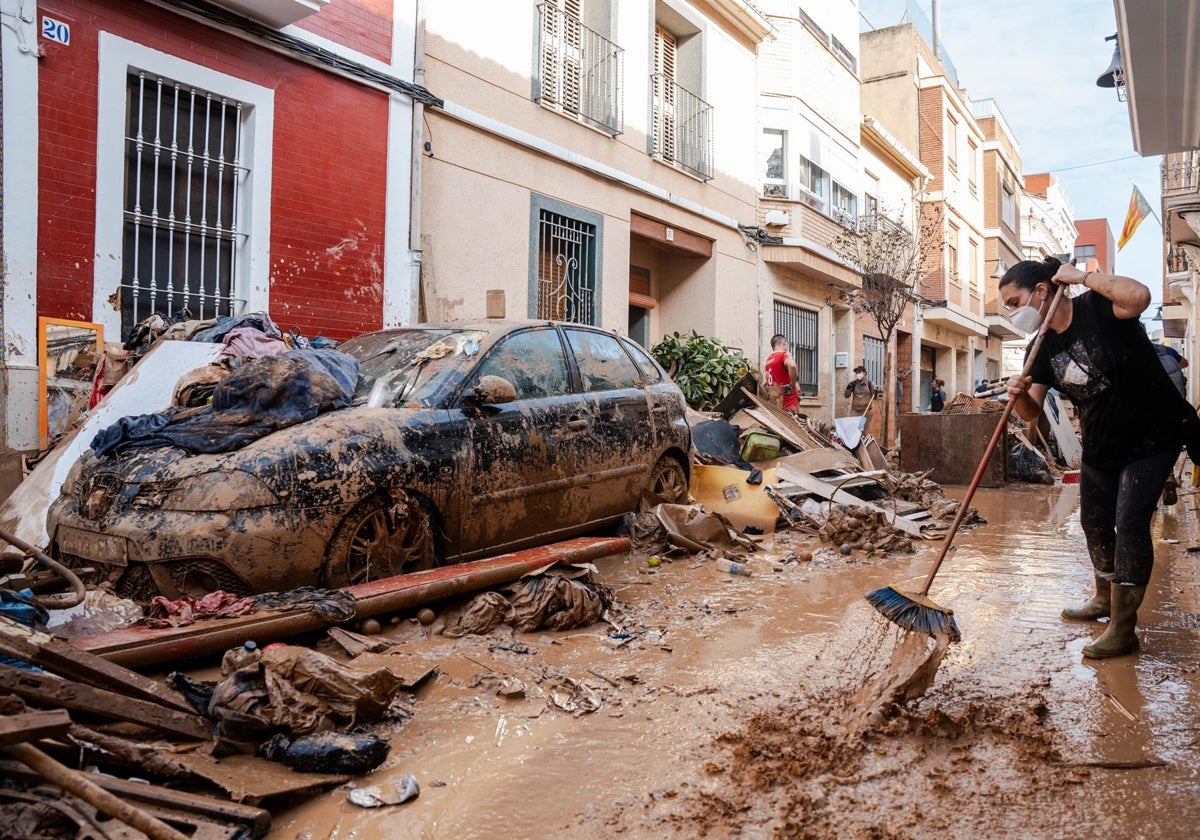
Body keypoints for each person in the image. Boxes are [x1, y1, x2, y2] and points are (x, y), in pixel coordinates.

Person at [1001, 255, 1190, 658]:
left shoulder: (1099, 307)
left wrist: (1084, 276)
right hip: (1102, 446)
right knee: (1094, 523)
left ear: (1041, 291)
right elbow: (1033, 414)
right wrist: (1017, 398)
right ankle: (1104, 598)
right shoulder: (1040, 348)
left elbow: (1139, 296)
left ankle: (1124, 628)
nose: (1011, 313)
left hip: (1152, 435)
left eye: (1014, 302)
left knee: (1131, 520)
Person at [763, 334, 799, 413]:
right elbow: (792, 366)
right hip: (788, 403)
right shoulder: (784, 354)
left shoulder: (768, 360)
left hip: (776, 403)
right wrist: (792, 385)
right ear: (784, 342)